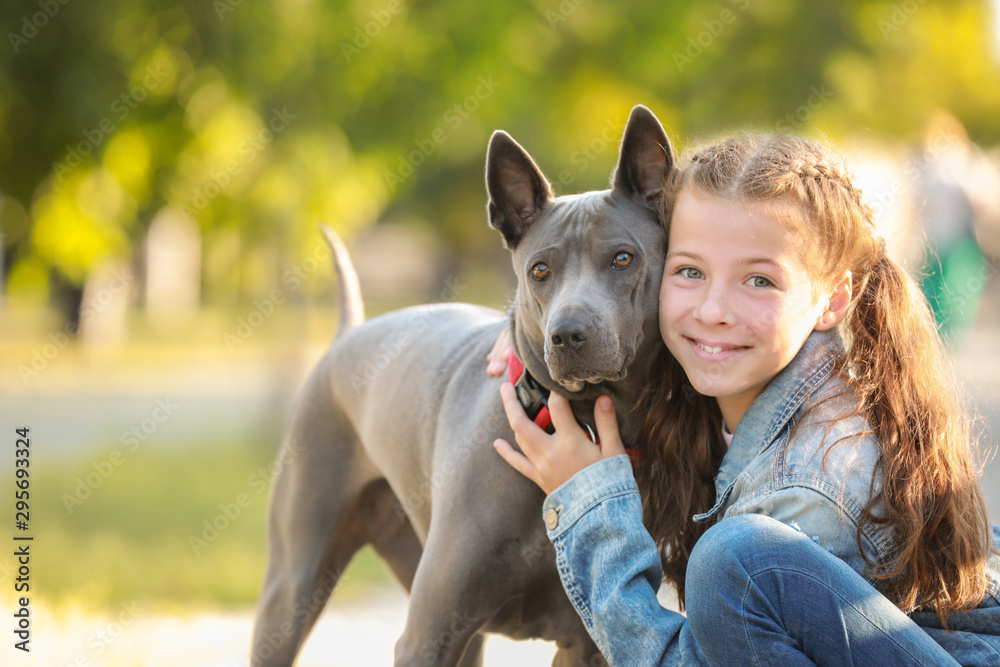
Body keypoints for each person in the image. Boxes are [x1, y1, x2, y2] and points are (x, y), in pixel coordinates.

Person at [487, 134, 1000, 665]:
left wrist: (589, 500)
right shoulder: (739, 379)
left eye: (759, 280)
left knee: (732, 559)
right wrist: (545, 322)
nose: (713, 310)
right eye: (689, 271)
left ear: (832, 298)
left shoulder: (808, 492)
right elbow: (587, 263)